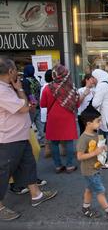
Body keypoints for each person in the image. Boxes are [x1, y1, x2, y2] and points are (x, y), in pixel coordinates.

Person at [0, 57, 57, 221]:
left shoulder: (7, 86)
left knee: (28, 165)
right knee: (3, 173)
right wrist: (20, 90)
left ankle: (36, 194)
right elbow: (24, 107)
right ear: (10, 71)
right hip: (8, 139)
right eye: (15, 70)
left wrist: (17, 89)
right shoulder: (3, 90)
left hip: (19, 135)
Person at [77, 106, 108, 222]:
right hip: (89, 170)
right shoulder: (83, 138)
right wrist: (96, 152)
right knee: (100, 191)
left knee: (89, 189)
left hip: (95, 168)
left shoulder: (96, 134)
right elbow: (79, 156)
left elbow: (97, 147)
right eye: (98, 121)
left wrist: (103, 148)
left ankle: (85, 208)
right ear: (88, 123)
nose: (100, 123)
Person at [40, 64, 80, 174]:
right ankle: (70, 165)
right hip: (68, 117)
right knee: (69, 142)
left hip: (53, 118)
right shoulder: (71, 88)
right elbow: (77, 104)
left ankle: (58, 166)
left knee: (54, 143)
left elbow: (43, 104)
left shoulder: (48, 88)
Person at [22, 64, 45, 146]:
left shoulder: (25, 81)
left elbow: (28, 93)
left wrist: (32, 102)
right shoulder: (35, 80)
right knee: (40, 124)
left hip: (31, 105)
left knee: (28, 124)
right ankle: (43, 141)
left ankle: (28, 142)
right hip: (38, 104)